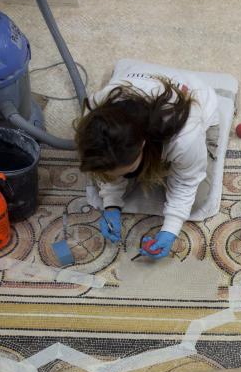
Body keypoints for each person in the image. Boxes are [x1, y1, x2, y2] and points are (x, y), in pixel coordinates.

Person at [75, 67, 220, 259]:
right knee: (101, 180)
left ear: (143, 145)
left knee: (197, 200)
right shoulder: (94, 114)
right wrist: (111, 203)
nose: (116, 179)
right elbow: (106, 164)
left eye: (125, 171)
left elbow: (186, 182)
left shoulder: (185, 137)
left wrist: (171, 229)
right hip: (139, 96)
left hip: (198, 110)